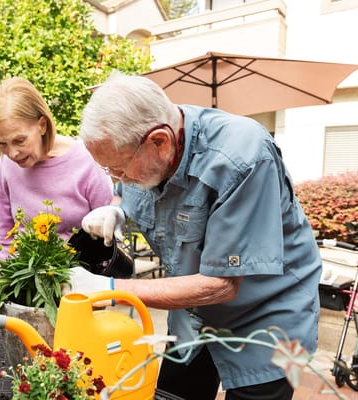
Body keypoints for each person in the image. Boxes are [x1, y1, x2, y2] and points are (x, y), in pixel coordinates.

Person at [66, 74, 321, 400]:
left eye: (119, 169)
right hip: (193, 310)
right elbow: (124, 193)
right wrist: (115, 209)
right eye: (108, 171)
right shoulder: (144, 141)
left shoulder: (244, 157)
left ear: (160, 141)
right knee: (174, 394)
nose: (117, 178)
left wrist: (110, 289)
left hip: (273, 317)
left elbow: (222, 284)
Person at [0, 76, 114, 336]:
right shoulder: (7, 164)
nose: (12, 153)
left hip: (80, 296)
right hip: (26, 293)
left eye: (19, 140)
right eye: (2, 143)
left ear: (42, 125)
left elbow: (108, 242)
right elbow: (3, 238)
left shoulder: (86, 162)